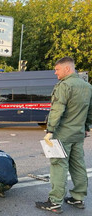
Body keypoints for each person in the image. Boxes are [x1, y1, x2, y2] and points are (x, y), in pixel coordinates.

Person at [36, 56, 92, 214]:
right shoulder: (87, 86)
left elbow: (57, 109)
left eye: (57, 69)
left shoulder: (64, 85)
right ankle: (78, 198)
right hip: (78, 134)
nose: (55, 72)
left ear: (67, 69)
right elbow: (90, 111)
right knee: (78, 165)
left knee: (58, 166)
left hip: (62, 134)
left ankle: (54, 202)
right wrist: (86, 126)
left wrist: (50, 130)